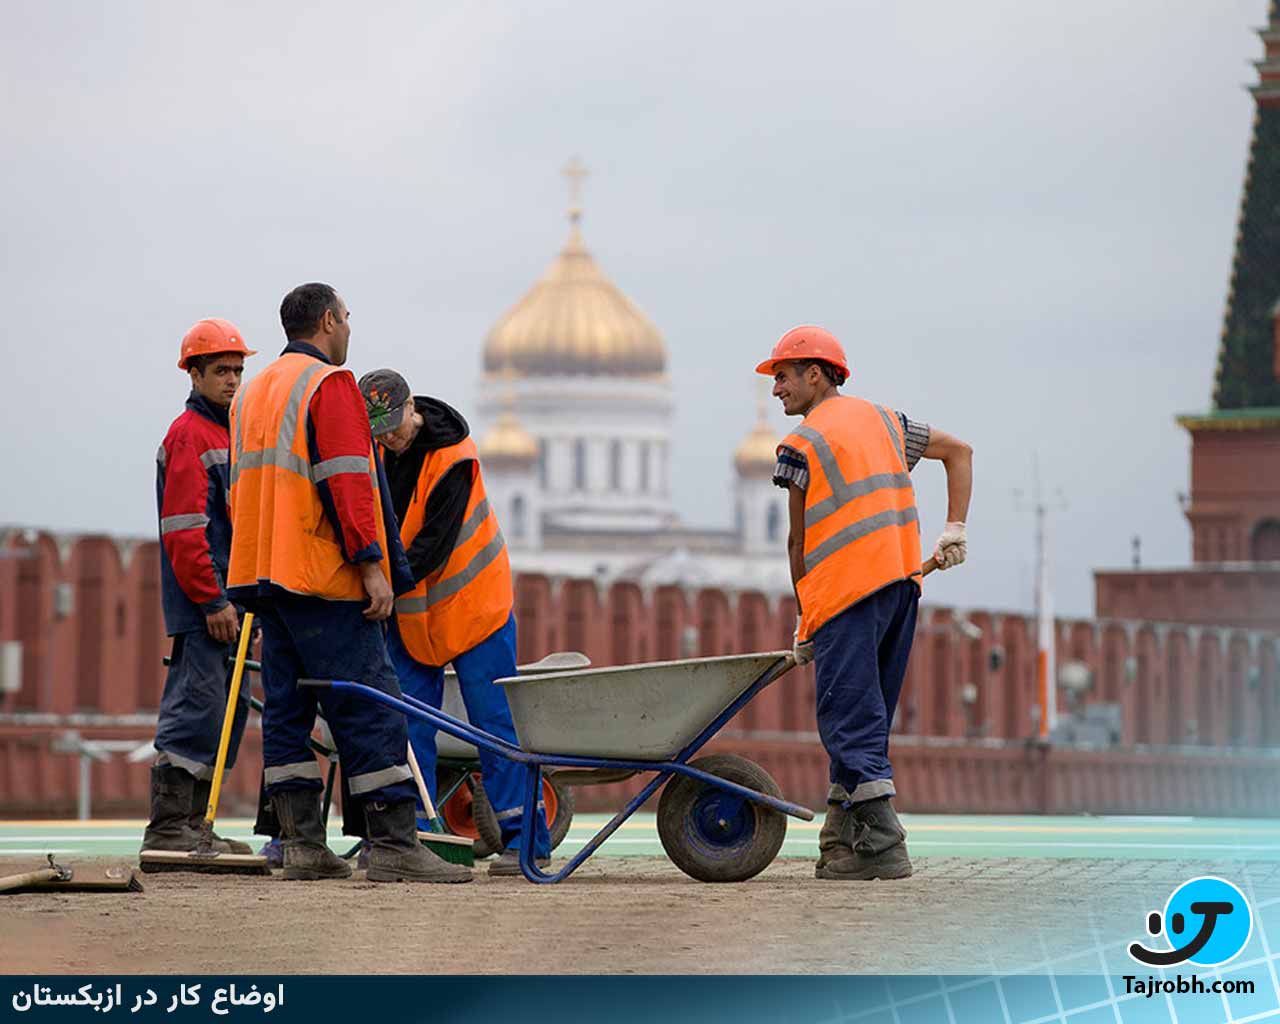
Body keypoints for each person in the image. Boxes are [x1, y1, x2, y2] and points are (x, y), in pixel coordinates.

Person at [227, 283, 470, 884]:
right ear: (330, 320)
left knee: (287, 709)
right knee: (369, 703)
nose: (349, 330)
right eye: (348, 318)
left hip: (262, 575)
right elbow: (347, 481)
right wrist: (371, 564)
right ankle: (392, 845)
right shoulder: (328, 386)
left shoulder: (252, 392)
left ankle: (302, 844)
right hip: (320, 576)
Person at [757, 325, 973, 881]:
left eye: (783, 376)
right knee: (865, 716)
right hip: (901, 587)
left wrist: (806, 619)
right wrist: (955, 529)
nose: (776, 388)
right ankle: (842, 841)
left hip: (846, 596)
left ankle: (883, 840)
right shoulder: (888, 421)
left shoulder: (800, 446)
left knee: (847, 717)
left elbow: (798, 542)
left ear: (816, 373)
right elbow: (960, 451)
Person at [357, 368, 551, 877]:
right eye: (375, 430)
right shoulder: (378, 453)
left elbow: (430, 547)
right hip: (416, 613)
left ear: (411, 409)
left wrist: (377, 584)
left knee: (495, 724)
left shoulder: (454, 460)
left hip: (475, 606)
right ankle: (417, 839)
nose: (386, 438)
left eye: (391, 426)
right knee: (406, 723)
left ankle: (526, 842)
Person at [143, 318, 257, 858]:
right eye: (221, 371)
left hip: (233, 603)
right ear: (194, 374)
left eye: (237, 370)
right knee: (198, 707)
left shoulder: (229, 432)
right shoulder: (190, 435)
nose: (232, 380)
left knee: (225, 714)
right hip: (206, 606)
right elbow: (185, 530)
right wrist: (211, 599)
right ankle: (170, 829)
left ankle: (196, 828)